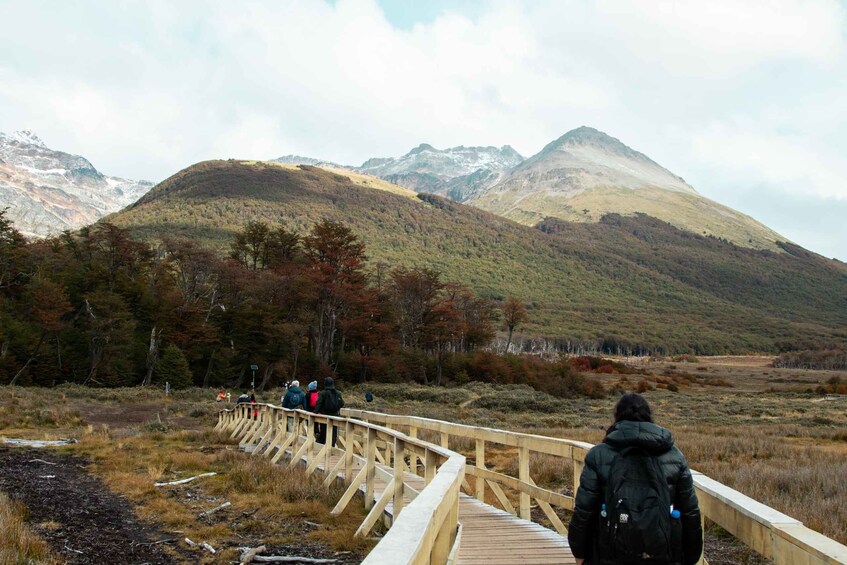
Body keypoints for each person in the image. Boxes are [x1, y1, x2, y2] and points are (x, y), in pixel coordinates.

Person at [568, 393, 703, 565]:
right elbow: (690, 511)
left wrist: (579, 553)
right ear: (649, 417)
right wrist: (691, 555)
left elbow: (584, 510)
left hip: (609, 552)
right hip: (664, 552)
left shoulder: (599, 455)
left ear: (617, 416)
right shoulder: (675, 456)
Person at [315, 377, 344, 447]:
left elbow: (319, 404)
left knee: (324, 433)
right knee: (333, 434)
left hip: (324, 416)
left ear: (325, 383)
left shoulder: (322, 393)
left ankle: (323, 449)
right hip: (335, 416)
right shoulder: (338, 393)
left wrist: (315, 413)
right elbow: (342, 403)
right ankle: (332, 448)